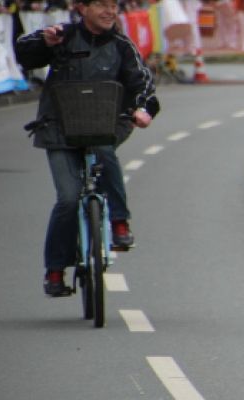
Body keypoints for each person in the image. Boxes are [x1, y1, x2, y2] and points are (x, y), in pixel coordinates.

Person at [15, 0, 160, 297]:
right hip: (58, 128)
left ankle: (119, 222)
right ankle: (55, 271)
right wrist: (44, 41)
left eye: (113, 6)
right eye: (101, 5)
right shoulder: (61, 36)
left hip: (103, 125)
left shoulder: (122, 45)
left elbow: (143, 85)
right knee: (68, 199)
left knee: (105, 152)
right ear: (82, 9)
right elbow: (24, 52)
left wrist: (142, 110)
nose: (110, 12)